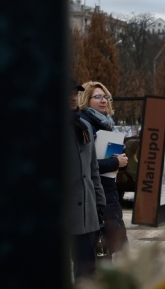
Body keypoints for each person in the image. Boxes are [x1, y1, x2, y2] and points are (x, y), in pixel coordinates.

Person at [79, 81, 129, 257]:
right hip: (94, 197)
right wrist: (115, 163)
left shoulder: (106, 125)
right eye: (97, 97)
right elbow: (85, 166)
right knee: (100, 255)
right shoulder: (84, 125)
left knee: (110, 254)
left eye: (105, 97)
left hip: (109, 193)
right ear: (85, 100)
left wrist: (121, 159)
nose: (103, 101)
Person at [67, 78, 106, 280]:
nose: (73, 97)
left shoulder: (85, 127)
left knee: (87, 274)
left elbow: (93, 171)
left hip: (87, 214)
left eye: (75, 93)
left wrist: (100, 205)